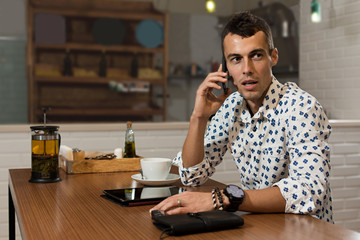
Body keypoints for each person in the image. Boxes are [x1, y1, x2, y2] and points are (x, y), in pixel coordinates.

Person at [150, 11, 333, 223]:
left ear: (273, 57)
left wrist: (222, 199)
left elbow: (310, 191)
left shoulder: (301, 107)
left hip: (307, 230)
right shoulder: (231, 107)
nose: (247, 69)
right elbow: (191, 175)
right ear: (226, 68)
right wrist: (199, 117)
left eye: (256, 55)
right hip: (260, 226)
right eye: (236, 59)